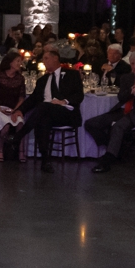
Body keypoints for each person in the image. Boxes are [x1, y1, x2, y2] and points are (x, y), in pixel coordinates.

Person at [88, 51, 135, 174]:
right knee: (91, 123)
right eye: (132, 64)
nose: (134, 67)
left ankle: (107, 160)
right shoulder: (126, 78)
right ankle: (117, 149)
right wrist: (132, 89)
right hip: (122, 109)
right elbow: (121, 97)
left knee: (118, 126)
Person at [15, 42, 84, 172]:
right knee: (43, 119)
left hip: (66, 113)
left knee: (43, 108)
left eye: (46, 59)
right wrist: (19, 110)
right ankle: (46, 161)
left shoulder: (71, 75)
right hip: (47, 113)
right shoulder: (42, 80)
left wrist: (64, 101)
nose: (44, 62)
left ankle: (19, 136)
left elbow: (79, 95)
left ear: (55, 58)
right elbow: (33, 99)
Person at [0, 51, 27, 162]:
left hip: (14, 108)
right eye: (18, 61)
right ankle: (0, 150)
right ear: (10, 63)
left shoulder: (20, 78)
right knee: (6, 127)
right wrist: (0, 109)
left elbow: (21, 97)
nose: (20, 63)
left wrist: (15, 110)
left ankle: (21, 151)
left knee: (20, 124)